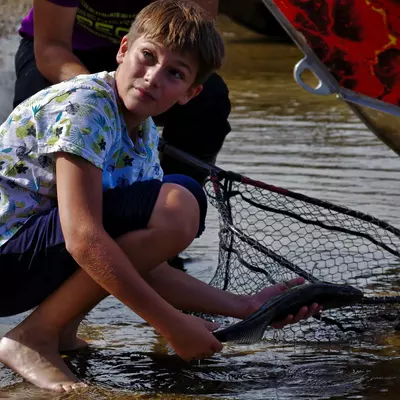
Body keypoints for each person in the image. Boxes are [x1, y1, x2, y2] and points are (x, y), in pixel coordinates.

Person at [0, 0, 319, 393]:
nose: (152, 77)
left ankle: (59, 329)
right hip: (6, 261)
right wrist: (170, 324)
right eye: (146, 57)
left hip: (20, 264)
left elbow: (145, 263)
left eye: (174, 73)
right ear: (122, 50)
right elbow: (83, 238)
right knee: (178, 202)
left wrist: (245, 306)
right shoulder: (87, 105)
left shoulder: (146, 136)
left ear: (190, 93)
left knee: (167, 206)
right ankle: (34, 338)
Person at [13, 0, 231, 184]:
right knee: (42, 106)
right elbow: (51, 46)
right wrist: (101, 98)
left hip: (153, 53)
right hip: (66, 49)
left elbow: (194, 55)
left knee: (211, 100)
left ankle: (168, 200)